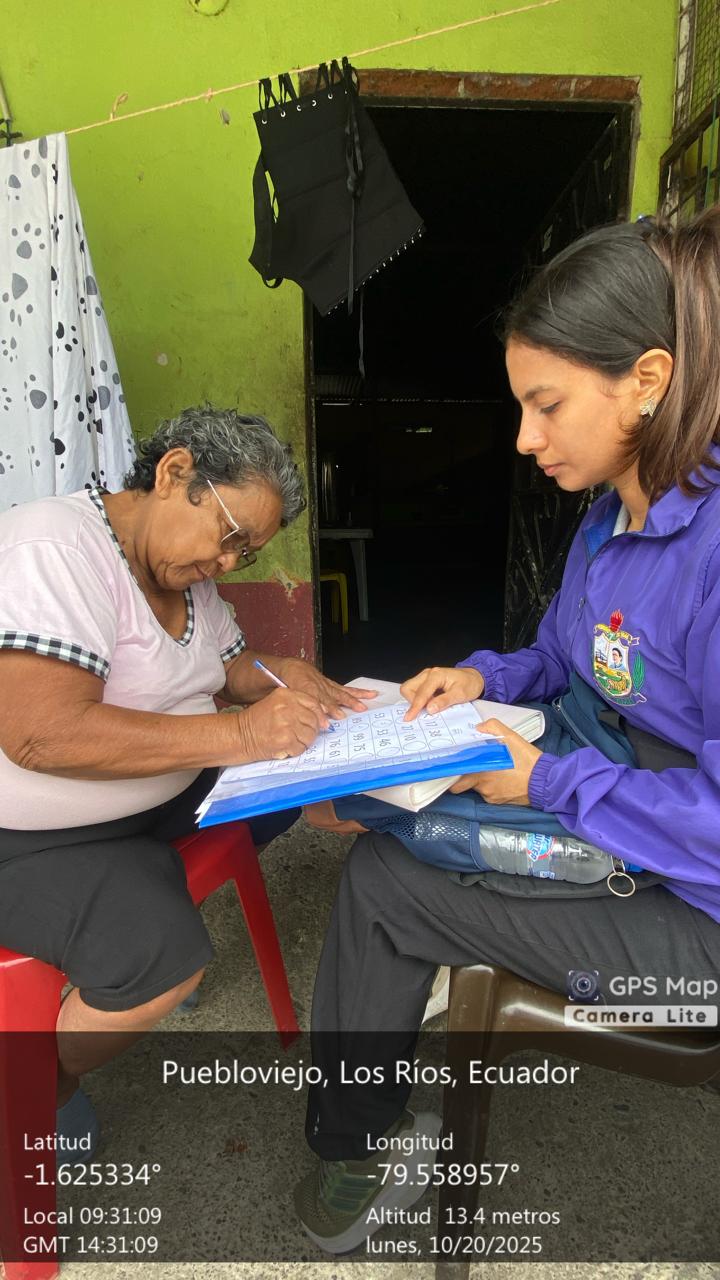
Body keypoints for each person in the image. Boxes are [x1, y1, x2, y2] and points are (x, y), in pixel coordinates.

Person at [295, 207, 720, 1254]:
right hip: (624, 814)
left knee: (386, 884)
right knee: (387, 820)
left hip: (697, 929)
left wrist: (546, 783)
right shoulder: (612, 515)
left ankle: (354, 1152)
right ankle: (359, 1128)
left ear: (648, 380)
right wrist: (482, 677)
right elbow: (567, 659)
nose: (526, 438)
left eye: (546, 404)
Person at [0, 406, 375, 1152]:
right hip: (36, 838)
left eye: (248, 553)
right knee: (160, 966)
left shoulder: (183, 574)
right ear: (175, 474)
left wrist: (281, 672)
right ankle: (43, 1083)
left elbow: (229, 669)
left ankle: (155, 885)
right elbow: (42, 733)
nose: (230, 563)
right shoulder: (55, 547)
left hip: (157, 804)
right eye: (230, 537)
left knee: (289, 788)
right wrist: (241, 734)